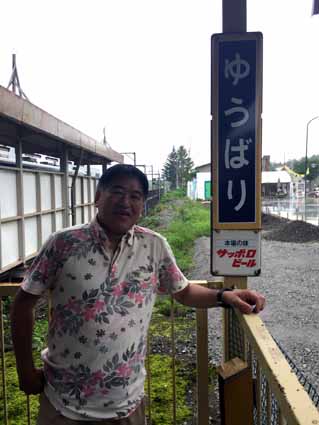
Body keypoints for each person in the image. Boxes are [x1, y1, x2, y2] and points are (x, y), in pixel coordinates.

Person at [11, 164, 266, 425]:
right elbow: (23, 304)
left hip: (127, 405)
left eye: (135, 196)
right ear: (98, 197)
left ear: (142, 204)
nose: (125, 202)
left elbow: (184, 291)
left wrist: (225, 296)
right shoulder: (63, 243)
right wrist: (25, 371)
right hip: (63, 403)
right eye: (117, 191)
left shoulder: (153, 246)